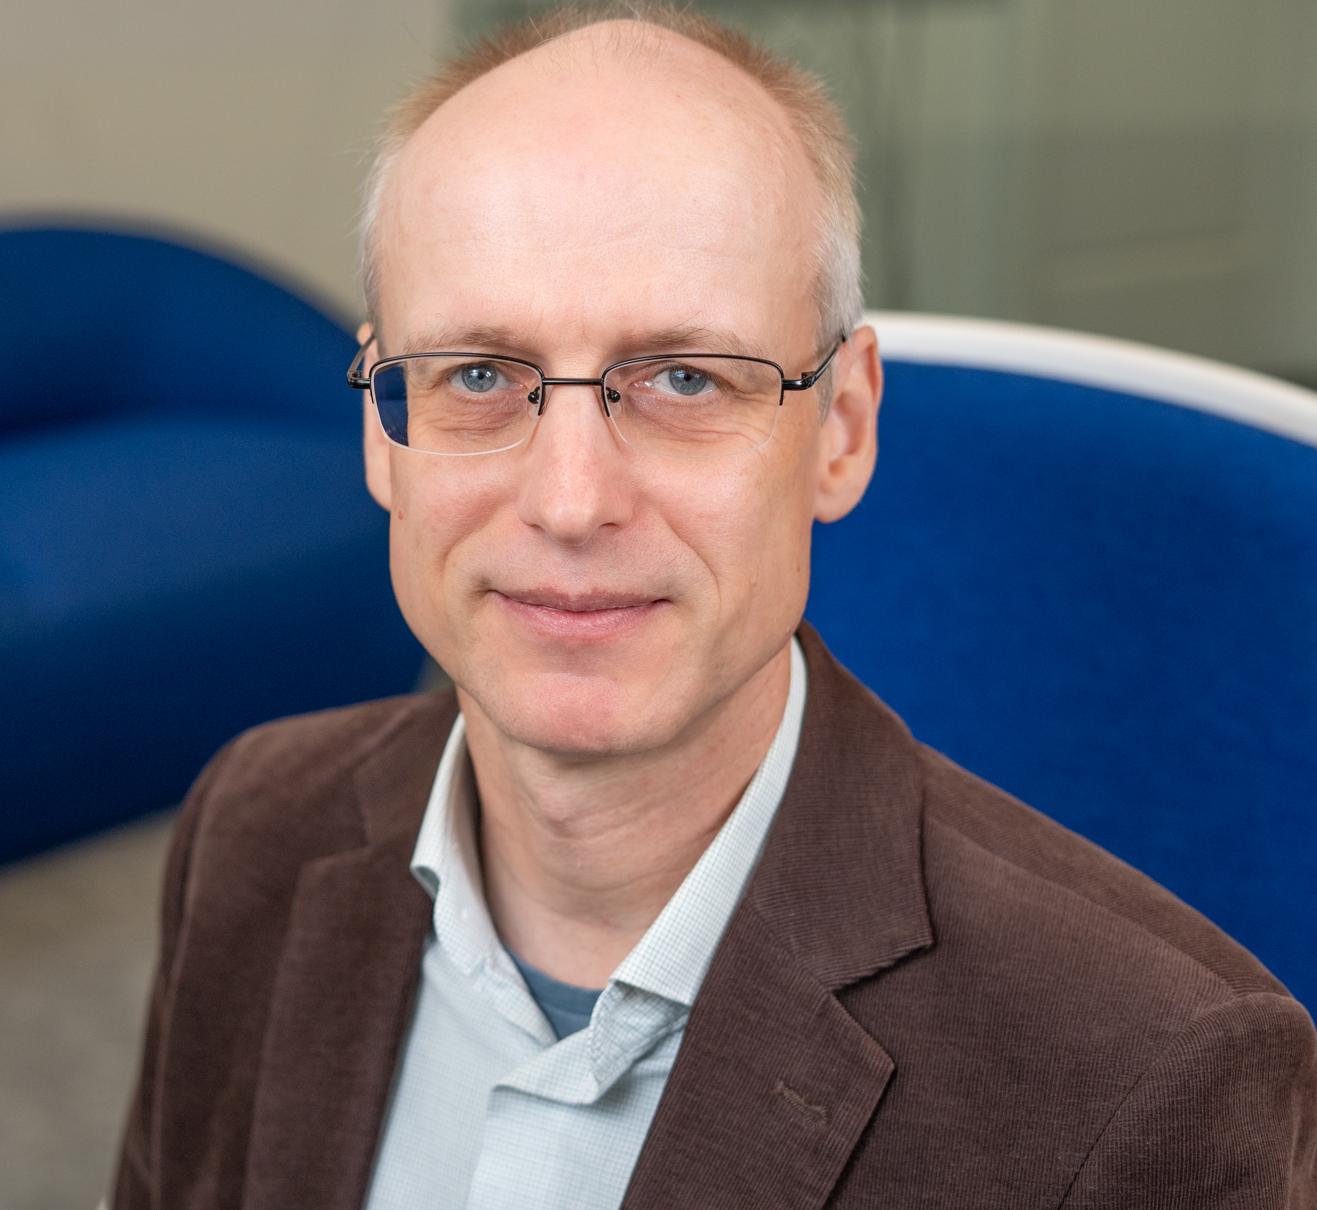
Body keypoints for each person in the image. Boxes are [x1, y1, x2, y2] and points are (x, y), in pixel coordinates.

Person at [111, 5, 1316, 1208]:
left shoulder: (1155, 1081)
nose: (570, 500)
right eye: (478, 375)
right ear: (384, 425)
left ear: (840, 428)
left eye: (685, 377)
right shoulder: (255, 825)